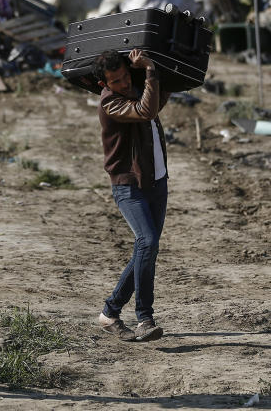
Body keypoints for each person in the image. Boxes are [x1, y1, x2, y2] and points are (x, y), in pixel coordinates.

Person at [93, 48, 171, 342]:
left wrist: (162, 71)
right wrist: (150, 71)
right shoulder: (110, 102)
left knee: (146, 249)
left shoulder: (136, 88)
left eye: (126, 77)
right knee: (147, 242)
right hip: (128, 184)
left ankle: (109, 312)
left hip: (157, 181)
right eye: (116, 81)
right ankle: (145, 318)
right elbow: (147, 111)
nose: (124, 84)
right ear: (104, 84)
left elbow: (159, 100)